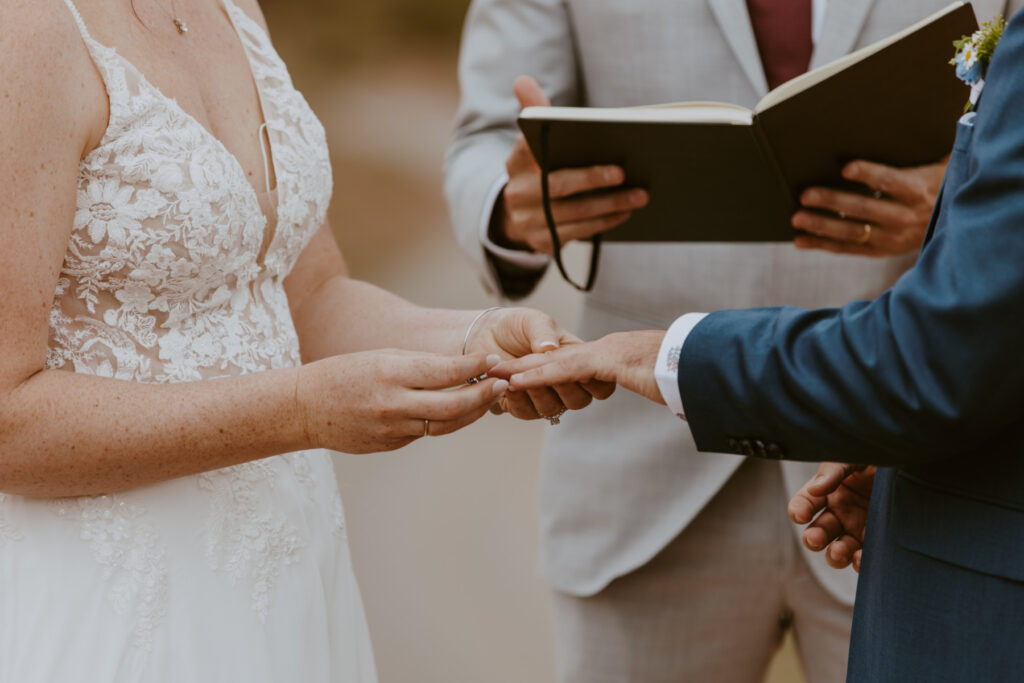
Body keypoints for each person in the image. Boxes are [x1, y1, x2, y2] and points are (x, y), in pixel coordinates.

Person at [0, 1, 606, 680]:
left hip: (287, 581)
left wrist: (476, 340)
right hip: (112, 600)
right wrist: (301, 410)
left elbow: (310, 296)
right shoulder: (27, 30)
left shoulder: (232, 11)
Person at [442, 1, 1015, 680]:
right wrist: (513, 210)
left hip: (896, 477)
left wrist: (953, 199)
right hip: (641, 481)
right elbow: (482, 140)